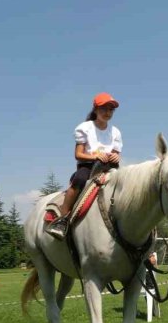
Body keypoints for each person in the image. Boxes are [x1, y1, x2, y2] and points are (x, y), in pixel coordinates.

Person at [46, 92, 122, 239]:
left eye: (111, 109)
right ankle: (63, 219)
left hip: (110, 168)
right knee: (79, 180)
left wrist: (115, 156)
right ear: (95, 110)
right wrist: (95, 156)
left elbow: (116, 154)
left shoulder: (115, 132)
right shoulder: (85, 128)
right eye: (104, 109)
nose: (107, 113)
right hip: (88, 166)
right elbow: (78, 154)